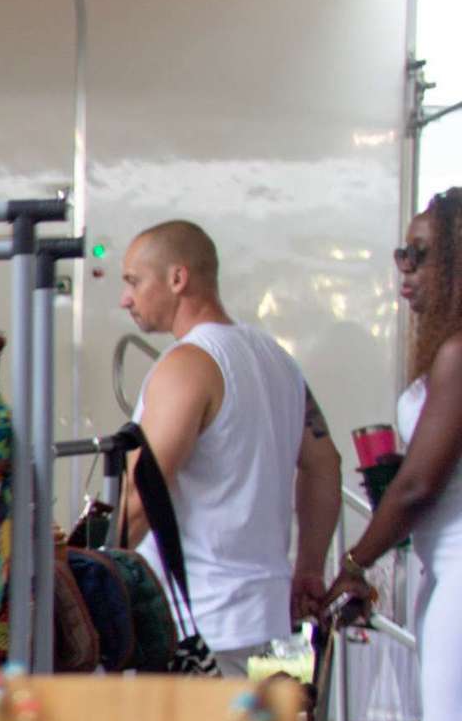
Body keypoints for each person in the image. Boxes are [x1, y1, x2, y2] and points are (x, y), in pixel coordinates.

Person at [115, 219, 341, 666]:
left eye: (134, 281)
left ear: (178, 278)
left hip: (196, 622)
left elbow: (143, 493)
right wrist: (309, 569)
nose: (126, 298)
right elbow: (325, 463)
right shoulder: (277, 360)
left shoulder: (188, 363)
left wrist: (94, 575)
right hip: (261, 616)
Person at [328, 188, 462, 721]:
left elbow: (418, 487)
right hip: (444, 565)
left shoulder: (458, 353)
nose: (404, 269)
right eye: (401, 254)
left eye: (420, 254)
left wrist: (355, 563)